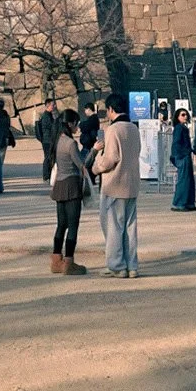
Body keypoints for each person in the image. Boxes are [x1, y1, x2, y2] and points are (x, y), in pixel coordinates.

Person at [92, 95, 141, 277]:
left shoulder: (112, 130)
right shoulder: (134, 128)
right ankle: (132, 265)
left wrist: (96, 167)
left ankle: (117, 265)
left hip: (114, 184)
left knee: (113, 228)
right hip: (132, 183)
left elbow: (110, 159)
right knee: (130, 228)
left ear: (111, 109)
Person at [48, 108, 89, 275]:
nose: (77, 127)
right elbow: (81, 164)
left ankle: (56, 260)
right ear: (70, 123)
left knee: (61, 225)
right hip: (71, 184)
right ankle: (69, 262)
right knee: (73, 225)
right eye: (76, 124)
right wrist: (93, 151)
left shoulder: (57, 140)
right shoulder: (70, 143)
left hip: (59, 184)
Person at [169, 107, 196, 211]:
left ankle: (188, 202)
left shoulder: (183, 128)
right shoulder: (179, 128)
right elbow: (176, 143)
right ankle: (179, 202)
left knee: (188, 179)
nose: (185, 117)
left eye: (186, 115)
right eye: (182, 115)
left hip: (185, 155)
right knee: (184, 180)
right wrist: (179, 155)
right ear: (177, 117)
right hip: (182, 156)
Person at [36, 103, 58, 181]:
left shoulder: (48, 115)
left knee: (49, 157)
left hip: (48, 139)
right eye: (52, 105)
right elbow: (53, 126)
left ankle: (48, 175)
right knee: (48, 157)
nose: (54, 106)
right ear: (47, 106)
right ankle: (46, 175)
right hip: (47, 140)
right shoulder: (46, 116)